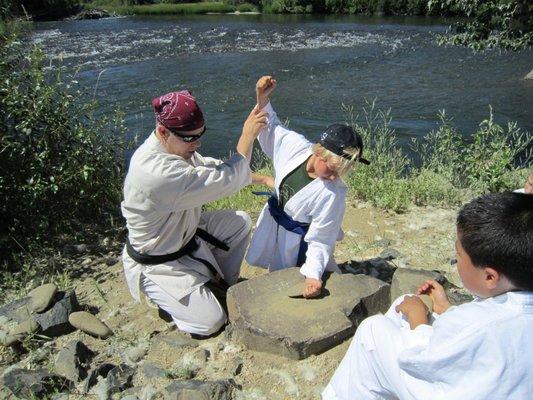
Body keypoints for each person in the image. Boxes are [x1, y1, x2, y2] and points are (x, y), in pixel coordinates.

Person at [323, 192, 533, 400]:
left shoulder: (473, 322)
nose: (456, 259)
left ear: (489, 277)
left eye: (459, 254)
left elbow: (422, 361)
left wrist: (418, 318)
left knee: (372, 331)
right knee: (403, 303)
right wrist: (447, 309)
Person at [121, 90, 267, 336]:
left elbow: (211, 168)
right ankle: (170, 299)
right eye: (191, 138)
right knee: (210, 322)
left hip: (183, 234)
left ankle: (222, 286)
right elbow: (226, 179)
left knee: (239, 222)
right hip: (158, 259)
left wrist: (263, 179)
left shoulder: (173, 147)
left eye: (201, 135)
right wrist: (247, 136)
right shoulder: (155, 172)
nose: (197, 143)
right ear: (163, 132)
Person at [246, 76, 370, 299]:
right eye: (332, 168)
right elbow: (272, 127)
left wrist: (313, 275)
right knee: (275, 271)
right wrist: (262, 98)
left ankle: (317, 272)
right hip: (275, 219)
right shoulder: (295, 147)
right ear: (319, 151)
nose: (334, 176)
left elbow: (322, 237)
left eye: (341, 172)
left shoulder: (333, 194)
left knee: (289, 281)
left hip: (299, 240)